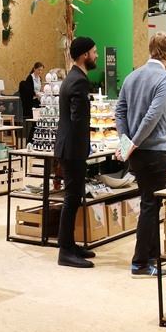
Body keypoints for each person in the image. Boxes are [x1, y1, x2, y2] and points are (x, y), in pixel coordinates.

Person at [116, 34, 166, 276]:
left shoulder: (132, 76)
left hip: (137, 153)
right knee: (150, 206)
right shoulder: (165, 77)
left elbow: (120, 111)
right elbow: (153, 115)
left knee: (148, 203)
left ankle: (153, 257)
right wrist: (132, 143)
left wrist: (127, 143)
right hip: (154, 151)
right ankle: (140, 262)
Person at [55, 36, 98, 268]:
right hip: (73, 149)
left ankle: (70, 245)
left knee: (73, 197)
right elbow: (78, 118)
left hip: (69, 146)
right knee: (71, 199)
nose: (96, 55)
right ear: (84, 55)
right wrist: (86, 145)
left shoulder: (71, 77)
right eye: (94, 52)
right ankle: (65, 251)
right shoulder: (79, 81)